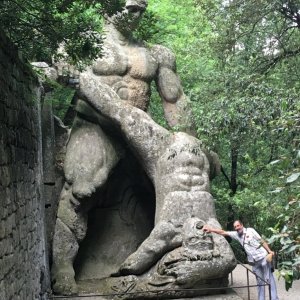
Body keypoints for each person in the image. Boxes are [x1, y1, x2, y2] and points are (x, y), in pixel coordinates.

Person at [51, 0, 194, 295]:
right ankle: (62, 267)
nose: (135, 13)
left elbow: (174, 99)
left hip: (141, 130)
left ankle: (178, 261)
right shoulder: (81, 43)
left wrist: (188, 140)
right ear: (106, 6)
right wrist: (57, 71)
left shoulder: (156, 54)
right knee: (82, 186)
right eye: (128, 6)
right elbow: (55, 73)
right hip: (96, 125)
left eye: (140, 8)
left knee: (178, 181)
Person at [203, 220, 279, 300]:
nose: (237, 228)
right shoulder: (236, 235)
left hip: (264, 258)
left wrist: (269, 250)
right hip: (255, 263)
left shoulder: (250, 230)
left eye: (238, 226)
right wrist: (211, 229)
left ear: (242, 225)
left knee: (269, 279)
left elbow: (261, 240)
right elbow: (223, 232)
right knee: (260, 283)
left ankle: (274, 298)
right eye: (235, 227)